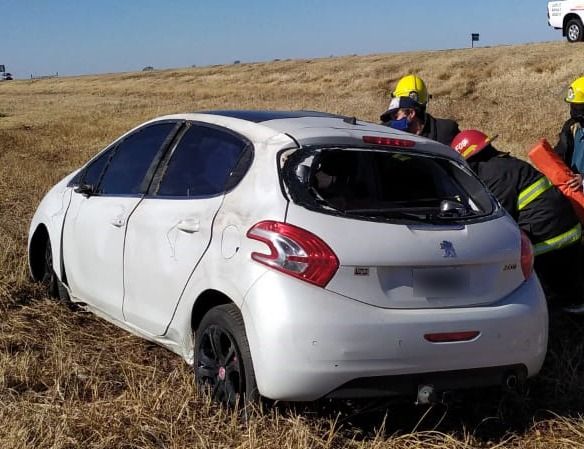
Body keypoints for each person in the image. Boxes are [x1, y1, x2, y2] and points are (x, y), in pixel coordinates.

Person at [451, 129, 584, 313]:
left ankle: (571, 312)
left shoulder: (492, 175)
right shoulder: (504, 165)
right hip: (564, 228)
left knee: (560, 288)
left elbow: (498, 220)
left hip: (550, 237)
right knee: (566, 279)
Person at [380, 74, 460, 146]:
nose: (392, 121)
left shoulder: (446, 131)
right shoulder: (390, 136)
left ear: (411, 113)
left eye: (395, 115)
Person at [555, 76, 584, 191]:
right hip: (571, 190)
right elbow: (559, 152)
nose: (574, 111)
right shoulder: (572, 126)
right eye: (572, 105)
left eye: (579, 107)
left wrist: (582, 179)